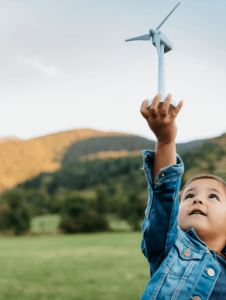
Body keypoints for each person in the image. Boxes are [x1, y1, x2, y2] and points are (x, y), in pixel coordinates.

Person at [139, 93, 226, 300]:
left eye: (213, 196)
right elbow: (164, 200)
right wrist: (166, 139)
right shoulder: (167, 250)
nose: (198, 200)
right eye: (188, 196)